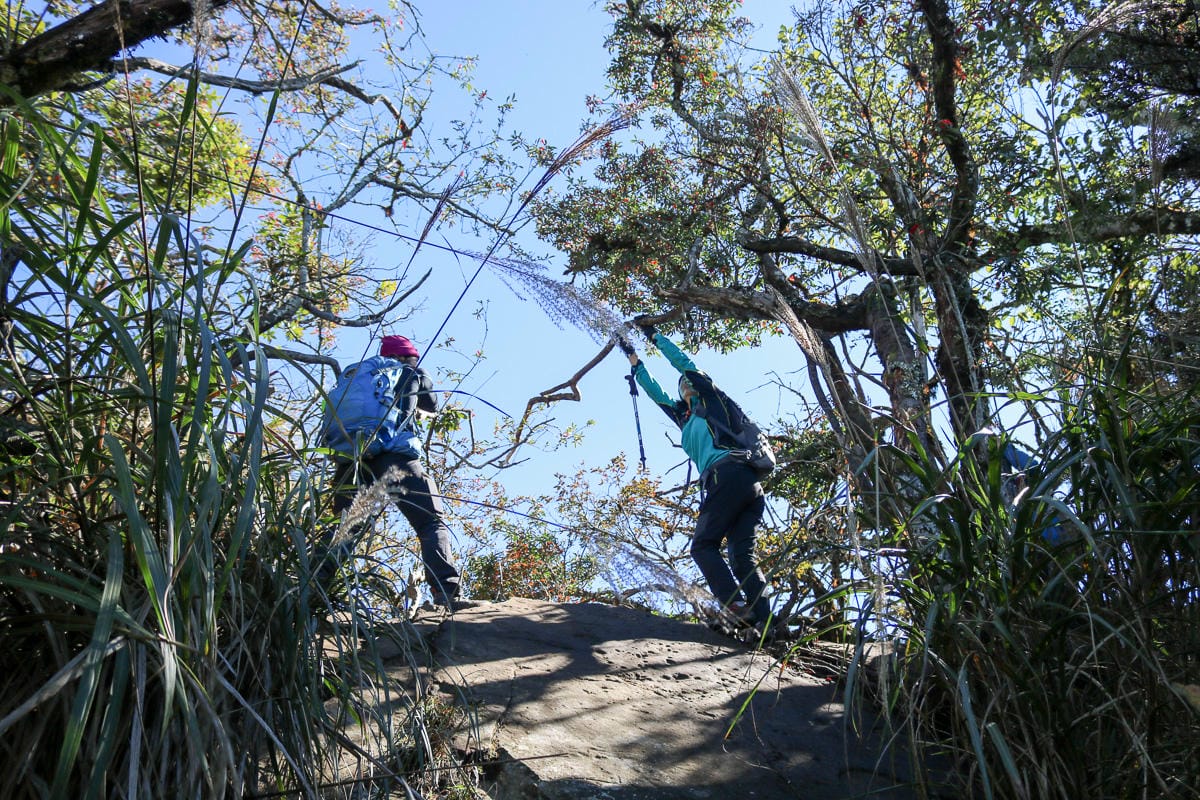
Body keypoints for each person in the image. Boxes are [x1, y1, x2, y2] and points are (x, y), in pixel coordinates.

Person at [624, 321, 773, 630]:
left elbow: (684, 363)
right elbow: (655, 392)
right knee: (741, 557)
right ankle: (766, 623)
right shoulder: (683, 416)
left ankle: (735, 607)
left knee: (703, 546)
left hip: (729, 475)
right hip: (744, 486)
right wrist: (633, 359)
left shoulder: (713, 400)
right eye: (682, 385)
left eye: (688, 381)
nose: (686, 384)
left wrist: (654, 335)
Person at [320, 334, 461, 607]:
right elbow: (432, 404)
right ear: (406, 357)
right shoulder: (409, 372)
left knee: (344, 528)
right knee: (430, 522)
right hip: (395, 457)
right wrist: (420, 375)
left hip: (351, 460)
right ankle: (447, 594)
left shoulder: (356, 376)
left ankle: (311, 588)